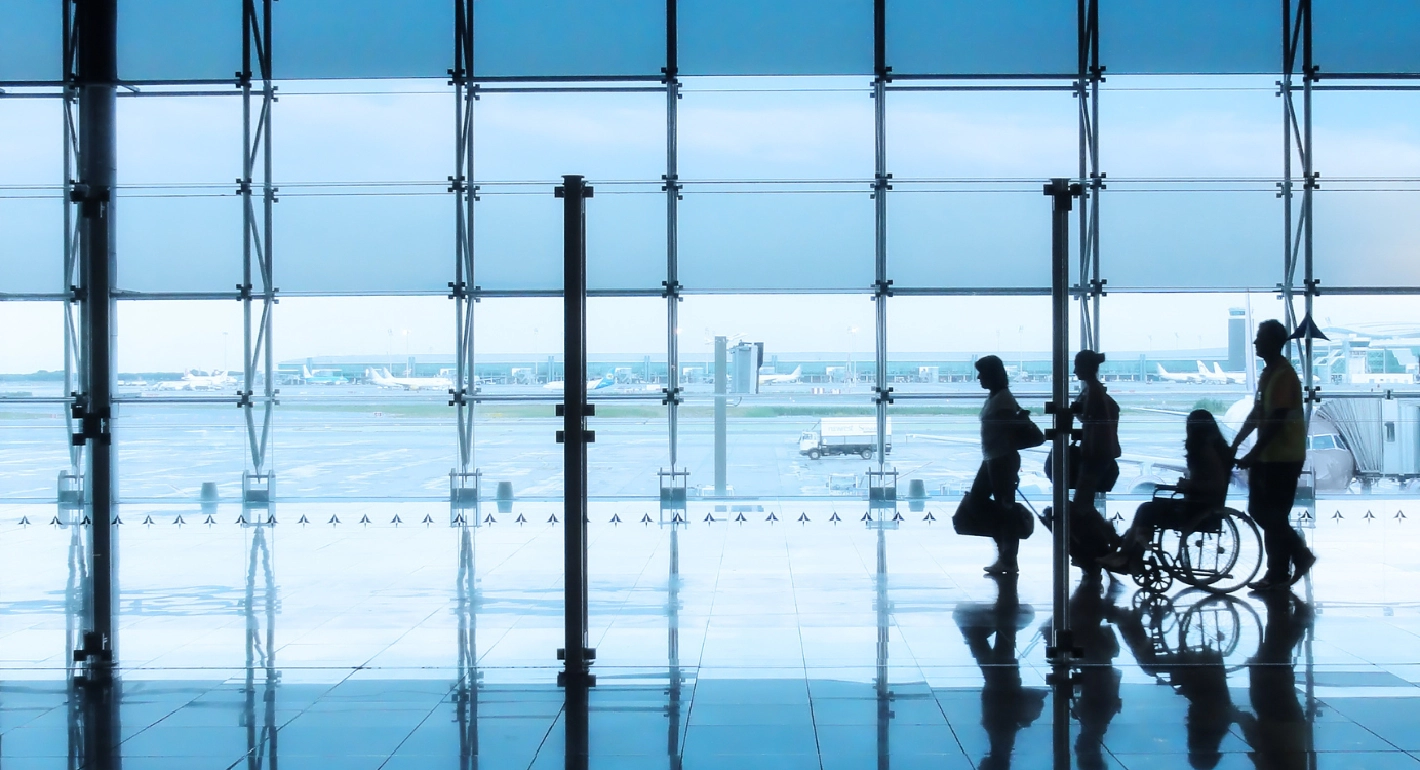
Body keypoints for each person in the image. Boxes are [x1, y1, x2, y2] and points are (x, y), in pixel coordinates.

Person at [1231, 319, 1317, 591]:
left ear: (1272, 342)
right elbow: (1258, 414)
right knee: (1270, 515)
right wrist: (1237, 443)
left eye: (1259, 338)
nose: (1256, 343)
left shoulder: (1283, 376)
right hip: (1272, 457)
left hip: (1282, 458)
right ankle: (1277, 572)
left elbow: (1275, 422)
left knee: (1267, 513)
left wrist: (1252, 452)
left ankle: (1297, 557)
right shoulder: (1270, 374)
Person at [1098, 410, 1232, 574]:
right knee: (1148, 509)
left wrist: (1188, 485)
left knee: (1147, 510)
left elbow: (1214, 484)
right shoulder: (1215, 449)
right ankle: (1129, 555)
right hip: (1200, 506)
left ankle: (1127, 555)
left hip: (1197, 509)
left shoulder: (1205, 451)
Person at [974, 355, 1023, 575]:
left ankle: (1008, 557)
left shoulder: (1002, 400)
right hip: (993, 459)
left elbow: (1007, 432)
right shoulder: (997, 396)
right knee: (994, 506)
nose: (978, 377)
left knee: (1003, 509)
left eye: (982, 373)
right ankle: (1005, 555)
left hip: (1001, 460)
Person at [1072, 350, 1121, 509]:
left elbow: (1088, 418)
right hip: (1099, 452)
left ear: (1085, 368)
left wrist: (1074, 412)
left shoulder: (1092, 391)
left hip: (1095, 452)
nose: (1075, 371)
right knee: (1084, 499)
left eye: (1077, 367)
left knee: (1082, 500)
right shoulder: (1095, 389)